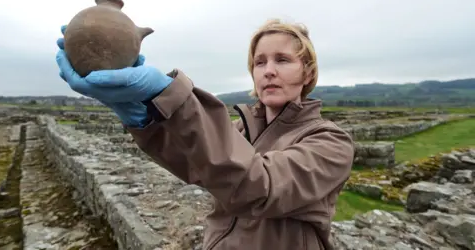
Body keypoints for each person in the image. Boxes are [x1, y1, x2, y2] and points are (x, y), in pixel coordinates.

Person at [55, 19, 355, 250]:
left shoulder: (329, 142)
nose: (268, 71)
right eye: (260, 62)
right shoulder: (241, 131)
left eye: (283, 60)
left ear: (308, 73)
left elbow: (260, 187)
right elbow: (193, 166)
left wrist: (173, 95)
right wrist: (146, 121)